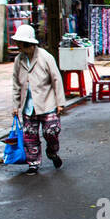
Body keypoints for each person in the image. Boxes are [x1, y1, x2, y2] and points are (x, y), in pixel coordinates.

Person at [10, 24, 66, 174]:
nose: (18, 46)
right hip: (28, 106)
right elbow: (16, 84)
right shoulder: (18, 60)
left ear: (28, 43)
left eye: (20, 44)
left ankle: (52, 152)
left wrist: (60, 103)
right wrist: (15, 105)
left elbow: (56, 79)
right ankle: (33, 163)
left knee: (52, 132)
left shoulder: (45, 57)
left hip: (47, 103)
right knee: (30, 135)